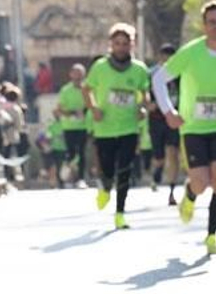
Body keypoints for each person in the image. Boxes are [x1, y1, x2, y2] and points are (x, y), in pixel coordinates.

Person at [151, 0, 216, 255]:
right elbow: (159, 79)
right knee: (201, 182)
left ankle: (211, 236)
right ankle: (189, 194)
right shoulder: (191, 52)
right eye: (213, 22)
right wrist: (168, 112)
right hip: (193, 128)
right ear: (204, 26)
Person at [83, 23, 151, 230]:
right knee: (107, 168)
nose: (121, 47)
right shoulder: (100, 67)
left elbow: (144, 93)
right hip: (104, 126)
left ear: (132, 45)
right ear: (111, 44)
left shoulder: (139, 69)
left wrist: (142, 107)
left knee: (125, 170)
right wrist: (93, 108)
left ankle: (120, 213)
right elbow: (87, 90)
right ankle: (104, 187)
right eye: (117, 43)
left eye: (125, 44)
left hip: (129, 126)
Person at [147, 43, 183, 204]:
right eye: (164, 57)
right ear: (160, 58)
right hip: (156, 119)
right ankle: (157, 171)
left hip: (174, 118)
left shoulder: (180, 75)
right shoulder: (151, 74)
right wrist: (148, 104)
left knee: (173, 153)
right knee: (159, 157)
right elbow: (142, 94)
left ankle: (172, 191)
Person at [56, 63, 91, 186]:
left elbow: (92, 104)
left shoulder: (88, 88)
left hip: (83, 126)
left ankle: (81, 178)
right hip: (69, 127)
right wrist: (73, 113)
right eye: (75, 73)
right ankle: (68, 178)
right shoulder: (65, 90)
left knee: (81, 152)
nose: (78, 76)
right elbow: (59, 109)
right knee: (70, 153)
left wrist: (85, 111)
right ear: (71, 74)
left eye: (80, 74)